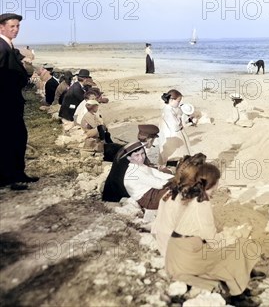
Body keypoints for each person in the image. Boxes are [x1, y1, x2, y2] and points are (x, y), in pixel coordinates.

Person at [153, 161, 260, 305]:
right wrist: (236, 234)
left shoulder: (195, 197)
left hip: (179, 251)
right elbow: (215, 242)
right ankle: (236, 293)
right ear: (214, 184)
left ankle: (237, 282)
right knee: (242, 247)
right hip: (186, 258)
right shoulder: (202, 205)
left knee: (232, 247)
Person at [0, 13, 38, 190]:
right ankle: (12, 176)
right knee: (14, 138)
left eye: (18, 27)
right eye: (12, 26)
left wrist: (23, 56)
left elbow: (13, 53)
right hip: (6, 103)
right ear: (1, 27)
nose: (15, 30)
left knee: (14, 138)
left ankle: (14, 174)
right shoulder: (1, 47)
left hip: (10, 102)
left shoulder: (7, 45)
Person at [102, 125, 174, 209]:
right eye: (153, 140)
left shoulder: (131, 148)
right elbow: (146, 174)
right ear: (149, 140)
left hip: (113, 189)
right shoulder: (139, 152)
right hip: (121, 192)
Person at [157, 89, 192, 165]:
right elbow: (175, 126)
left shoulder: (171, 109)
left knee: (177, 155)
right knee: (175, 154)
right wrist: (181, 122)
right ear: (172, 100)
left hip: (170, 134)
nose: (179, 103)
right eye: (178, 101)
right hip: (172, 135)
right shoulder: (168, 111)